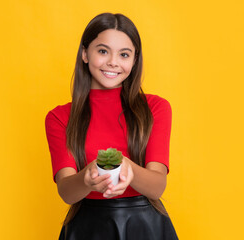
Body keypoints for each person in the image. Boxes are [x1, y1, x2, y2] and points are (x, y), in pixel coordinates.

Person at [45, 12, 179, 240]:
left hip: (146, 227)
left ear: (134, 60)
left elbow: (157, 187)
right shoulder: (60, 117)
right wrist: (86, 177)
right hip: (87, 229)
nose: (113, 62)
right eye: (103, 51)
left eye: (124, 54)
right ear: (85, 54)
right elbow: (67, 192)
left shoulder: (156, 108)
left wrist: (127, 167)